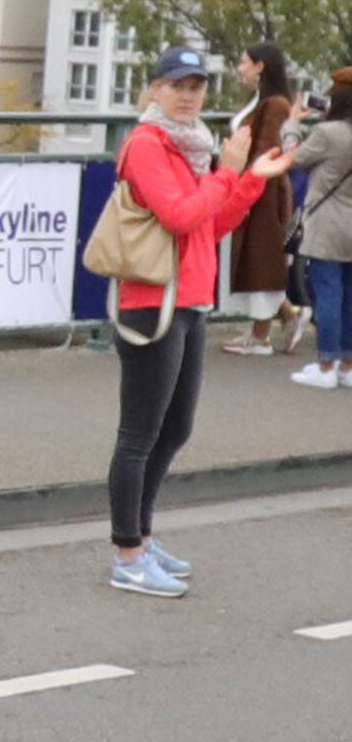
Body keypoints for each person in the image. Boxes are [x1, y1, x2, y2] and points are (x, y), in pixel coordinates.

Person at [102, 43, 285, 597]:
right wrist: (228, 171)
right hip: (152, 300)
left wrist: (250, 178)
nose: (187, 95)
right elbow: (181, 216)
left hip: (189, 300)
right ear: (155, 89)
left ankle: (142, 537)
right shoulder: (147, 144)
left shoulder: (191, 146)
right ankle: (127, 554)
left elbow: (211, 223)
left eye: (196, 86)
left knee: (174, 428)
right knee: (139, 434)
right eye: (177, 85)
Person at [220, 45, 302, 355]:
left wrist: (242, 178)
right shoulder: (261, 101)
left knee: (261, 257)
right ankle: (287, 316)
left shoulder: (275, 105)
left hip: (264, 192)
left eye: (244, 62)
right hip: (253, 186)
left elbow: (268, 150)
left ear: (260, 66)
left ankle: (260, 336)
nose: (239, 68)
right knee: (257, 258)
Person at [290, 71, 352, 392]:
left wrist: (292, 126)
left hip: (327, 225)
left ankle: (326, 364)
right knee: (350, 296)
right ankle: (348, 365)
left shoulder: (328, 133)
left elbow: (294, 158)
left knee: (328, 294)